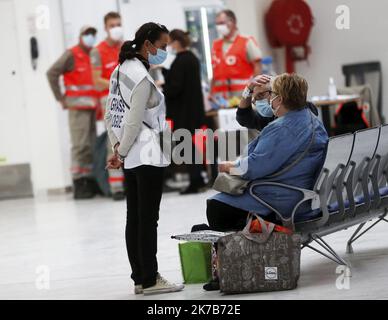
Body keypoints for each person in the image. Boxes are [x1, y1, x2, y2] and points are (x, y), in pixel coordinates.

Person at [204, 73, 329, 290]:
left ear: (280, 99)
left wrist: (227, 166)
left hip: (280, 198)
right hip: (299, 191)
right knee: (224, 203)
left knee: (217, 205)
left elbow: (253, 168)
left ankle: (238, 265)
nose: (268, 99)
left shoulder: (282, 128)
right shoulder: (310, 120)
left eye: (271, 94)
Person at [105, 22, 184, 295]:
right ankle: (151, 279)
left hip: (129, 155)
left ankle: (139, 278)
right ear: (148, 44)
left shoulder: (118, 70)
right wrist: (123, 152)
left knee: (134, 217)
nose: (163, 52)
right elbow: (134, 120)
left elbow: (110, 114)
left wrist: (117, 150)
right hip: (146, 154)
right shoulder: (140, 76)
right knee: (148, 219)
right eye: (162, 47)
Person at [47, 26, 99, 199]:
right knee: (80, 145)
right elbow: (52, 73)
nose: (90, 37)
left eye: (93, 34)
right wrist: (60, 98)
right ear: (80, 36)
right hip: (77, 109)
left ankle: (89, 180)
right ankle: (78, 182)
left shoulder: (93, 55)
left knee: (90, 145)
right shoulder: (71, 54)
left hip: (91, 107)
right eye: (87, 34)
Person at [162, 29, 207, 194]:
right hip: (194, 110)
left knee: (187, 147)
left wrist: (163, 85)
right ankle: (199, 178)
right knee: (193, 146)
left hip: (183, 112)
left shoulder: (181, 61)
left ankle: (195, 181)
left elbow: (175, 87)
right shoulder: (192, 58)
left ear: (176, 42)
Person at [91, 11, 125, 200]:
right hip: (110, 100)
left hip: (128, 99)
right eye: (112, 25)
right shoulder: (98, 51)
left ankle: (133, 181)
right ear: (105, 28)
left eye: (118, 24)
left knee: (133, 139)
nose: (116, 28)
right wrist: (118, 83)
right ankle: (116, 186)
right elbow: (96, 81)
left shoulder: (126, 47)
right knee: (114, 143)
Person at [210, 9, 262, 102]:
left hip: (243, 96)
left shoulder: (246, 41)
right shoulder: (215, 44)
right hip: (221, 99)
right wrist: (211, 93)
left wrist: (255, 90)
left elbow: (257, 67)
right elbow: (215, 71)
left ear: (232, 22)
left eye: (221, 23)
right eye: (217, 24)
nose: (219, 26)